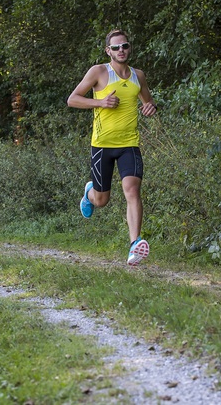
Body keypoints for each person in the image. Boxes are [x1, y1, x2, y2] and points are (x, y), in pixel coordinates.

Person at [67, 29, 157, 266]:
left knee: (132, 190)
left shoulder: (138, 76)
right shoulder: (98, 72)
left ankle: (134, 245)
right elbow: (73, 99)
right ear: (108, 51)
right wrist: (100, 102)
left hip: (129, 145)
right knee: (102, 200)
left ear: (129, 48)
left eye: (124, 46)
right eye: (116, 47)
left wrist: (150, 107)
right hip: (102, 146)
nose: (121, 51)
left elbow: (148, 102)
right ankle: (89, 192)